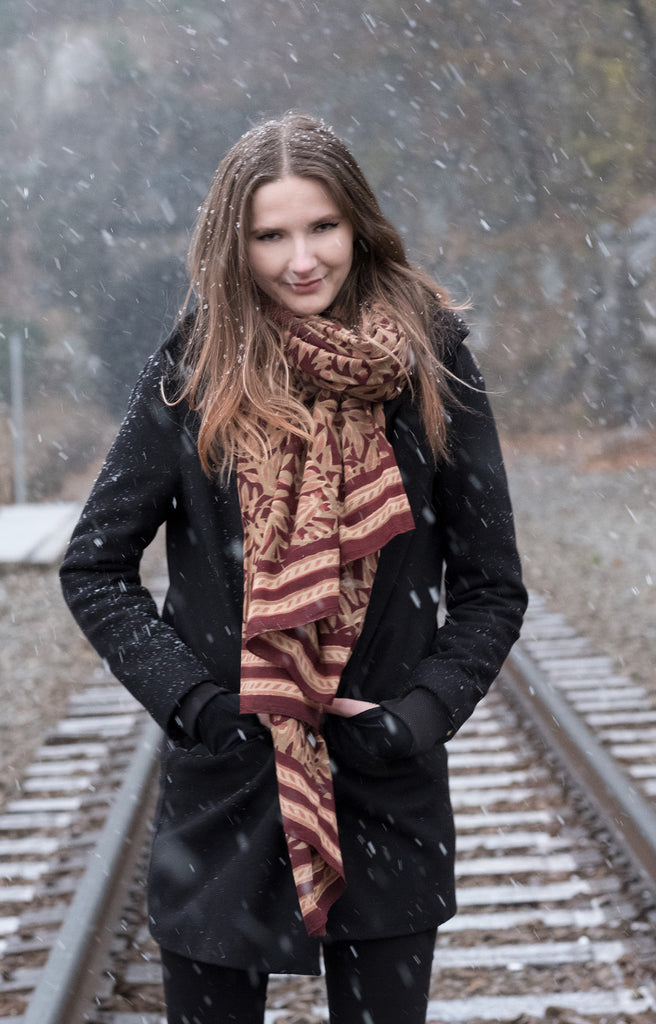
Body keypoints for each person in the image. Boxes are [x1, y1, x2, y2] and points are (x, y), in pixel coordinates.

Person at [60, 112, 527, 1024]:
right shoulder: (194, 372)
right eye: (270, 235)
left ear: (358, 225)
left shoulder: (432, 364)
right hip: (227, 784)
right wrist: (198, 707)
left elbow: (492, 585)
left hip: (380, 785)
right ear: (234, 246)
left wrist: (415, 717)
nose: (300, 259)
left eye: (321, 227)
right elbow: (95, 567)